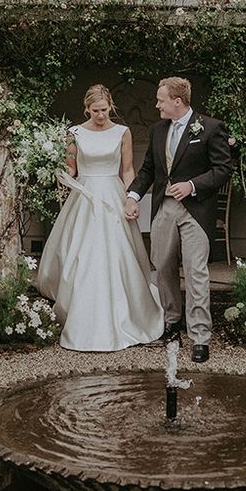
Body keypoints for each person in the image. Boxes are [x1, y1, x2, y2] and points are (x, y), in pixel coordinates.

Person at [37, 84, 164, 351]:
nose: (100, 115)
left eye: (104, 110)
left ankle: (125, 315)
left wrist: (132, 197)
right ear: (87, 109)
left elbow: (127, 170)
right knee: (82, 255)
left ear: (110, 106)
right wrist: (55, 168)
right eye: (95, 111)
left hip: (112, 196)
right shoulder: (74, 133)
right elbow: (71, 168)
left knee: (117, 255)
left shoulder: (122, 133)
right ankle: (82, 317)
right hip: (84, 198)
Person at [125, 77, 232, 363]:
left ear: (177, 101)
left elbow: (223, 169)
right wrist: (133, 196)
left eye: (161, 99)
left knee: (196, 272)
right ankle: (171, 322)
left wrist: (192, 185)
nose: (157, 104)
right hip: (164, 208)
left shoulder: (210, 127)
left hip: (196, 209)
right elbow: (148, 170)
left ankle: (199, 336)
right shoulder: (158, 130)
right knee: (162, 266)